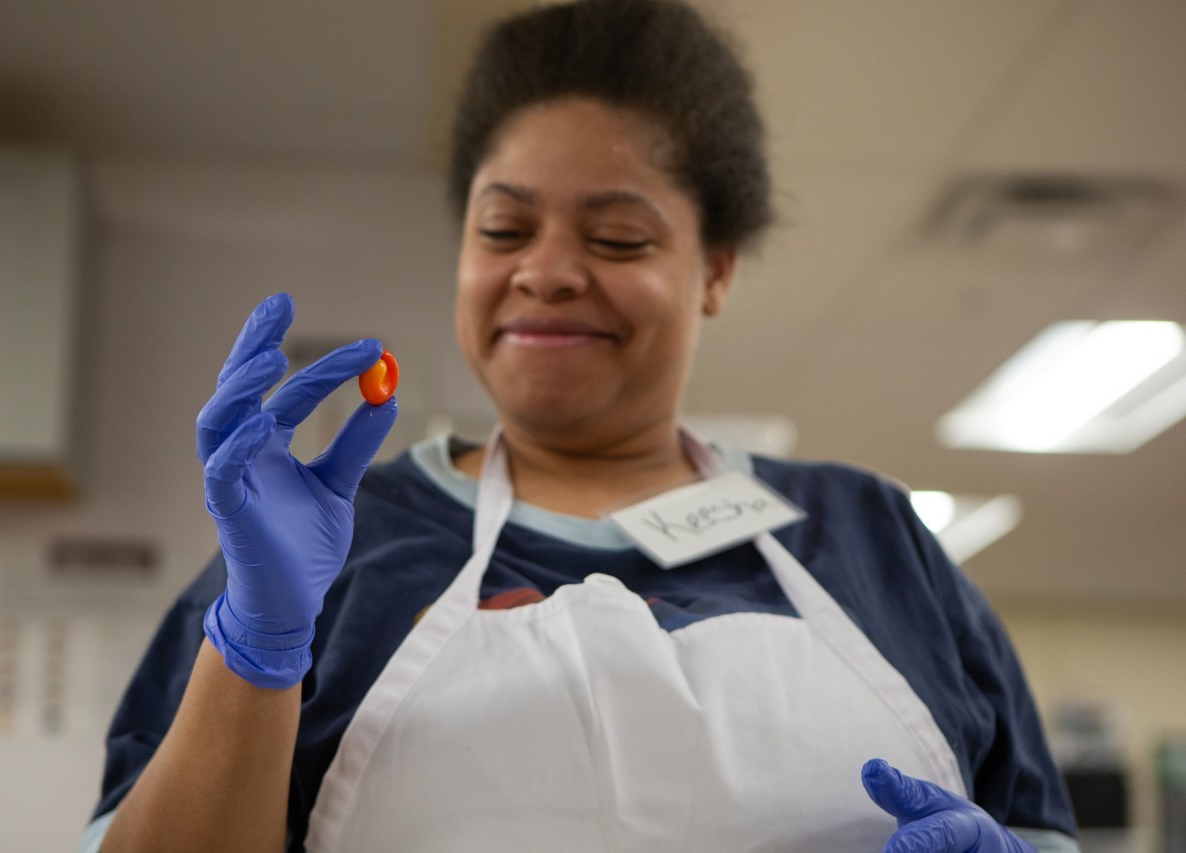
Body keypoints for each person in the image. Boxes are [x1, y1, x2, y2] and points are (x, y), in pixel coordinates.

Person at [82, 1, 1079, 850]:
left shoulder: (868, 539)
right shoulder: (314, 553)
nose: (547, 271)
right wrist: (257, 645)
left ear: (716, 268)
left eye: (615, 237)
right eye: (503, 229)